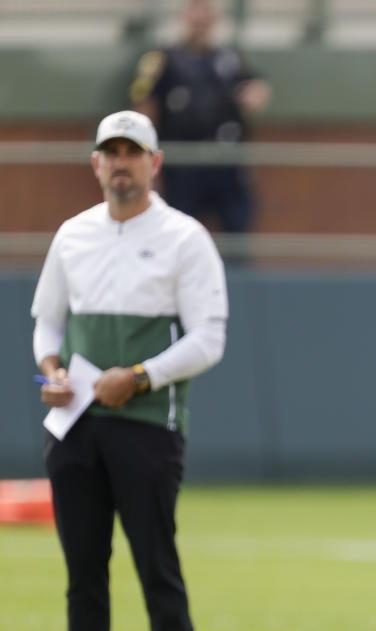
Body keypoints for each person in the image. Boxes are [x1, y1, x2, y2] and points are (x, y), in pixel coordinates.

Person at [31, 110, 228, 631]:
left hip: (147, 426)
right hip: (75, 426)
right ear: (96, 164)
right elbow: (47, 323)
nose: (122, 164)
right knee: (83, 578)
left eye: (133, 153)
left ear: (154, 163)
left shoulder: (184, 238)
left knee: (157, 572)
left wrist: (138, 377)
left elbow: (208, 339)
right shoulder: (73, 235)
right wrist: (51, 369)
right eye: (112, 154)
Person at [130, 0, 271, 233]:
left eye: (206, 14)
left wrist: (256, 94)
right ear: (184, 18)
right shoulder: (162, 59)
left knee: (237, 226)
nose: (200, 21)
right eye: (195, 14)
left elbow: (255, 87)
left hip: (225, 163)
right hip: (183, 164)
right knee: (178, 232)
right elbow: (144, 108)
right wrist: (145, 161)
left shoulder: (229, 58)